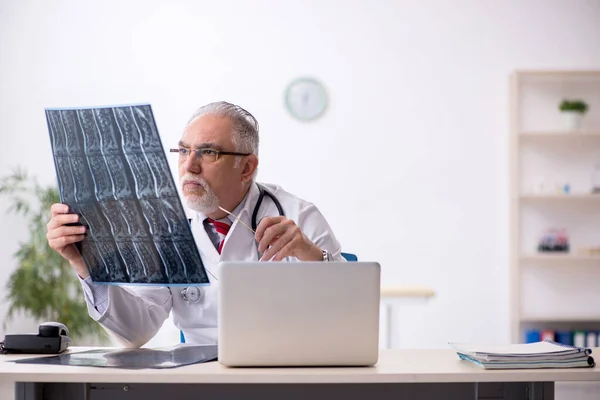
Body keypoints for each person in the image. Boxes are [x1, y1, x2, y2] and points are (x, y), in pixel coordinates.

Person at [45, 101, 345, 348]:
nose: (190, 166)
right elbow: (135, 332)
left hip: (285, 374)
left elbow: (346, 310)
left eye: (208, 152)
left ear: (247, 167)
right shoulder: (167, 228)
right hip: (200, 378)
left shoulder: (298, 215)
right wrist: (86, 262)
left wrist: (310, 253)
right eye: (184, 151)